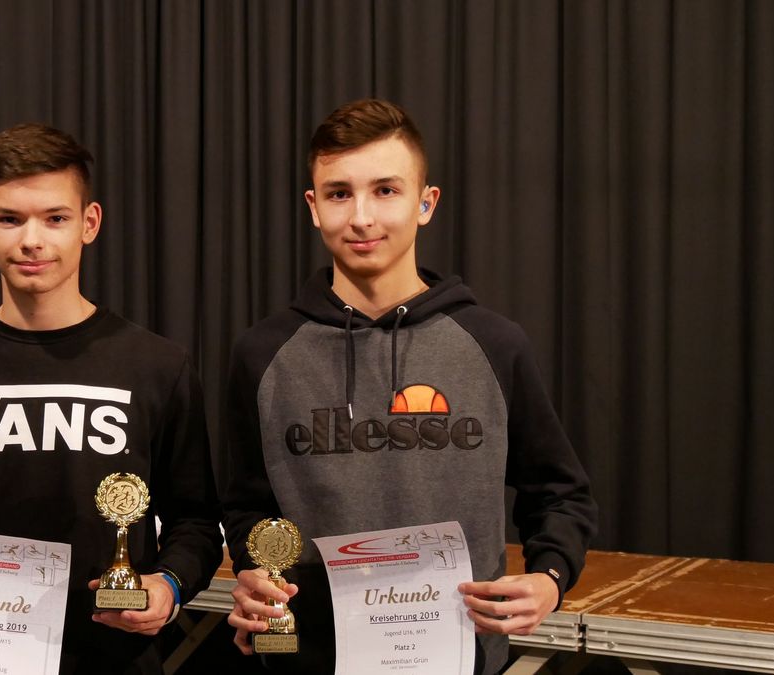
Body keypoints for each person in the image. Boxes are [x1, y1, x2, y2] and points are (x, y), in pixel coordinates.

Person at [217, 99, 598, 674]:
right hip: (309, 660)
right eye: (339, 193)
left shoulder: (495, 344)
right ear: (313, 207)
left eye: (386, 191)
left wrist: (550, 577)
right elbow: (248, 507)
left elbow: (561, 494)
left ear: (426, 203)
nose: (362, 217)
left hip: (461, 659)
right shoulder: (262, 354)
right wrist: (254, 571)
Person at [0, 123, 223, 674]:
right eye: (11, 219)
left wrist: (169, 585)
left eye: (55, 218)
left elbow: (194, 517)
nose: (32, 240)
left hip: (114, 659)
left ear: (89, 223)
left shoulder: (158, 365)